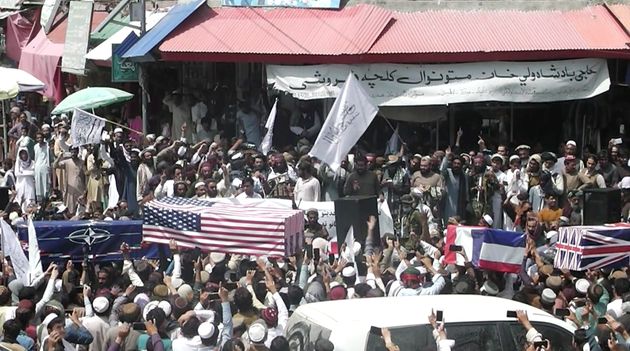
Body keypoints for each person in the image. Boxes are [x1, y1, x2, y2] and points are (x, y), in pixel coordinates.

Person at [53, 147, 87, 215]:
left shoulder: (82, 162)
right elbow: (55, 165)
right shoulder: (67, 162)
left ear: (77, 152)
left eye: (75, 152)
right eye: (72, 152)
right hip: (70, 190)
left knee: (80, 210)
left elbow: (86, 175)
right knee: (70, 210)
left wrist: (85, 191)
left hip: (80, 189)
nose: (73, 154)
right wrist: (59, 157)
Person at [33, 132, 52, 204]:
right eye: (38, 138)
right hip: (37, 167)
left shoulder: (47, 146)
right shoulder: (35, 147)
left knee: (46, 185)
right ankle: (40, 202)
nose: (39, 139)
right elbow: (35, 158)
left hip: (45, 167)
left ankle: (46, 201)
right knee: (38, 185)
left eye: (40, 137)